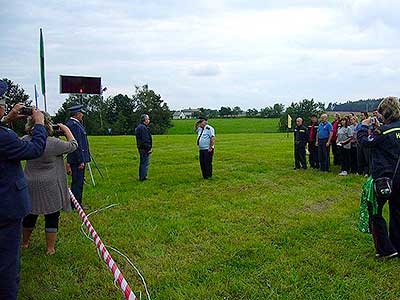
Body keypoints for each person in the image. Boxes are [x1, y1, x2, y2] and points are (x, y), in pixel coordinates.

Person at [0, 81, 47, 299]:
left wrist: (7, 120)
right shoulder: (4, 137)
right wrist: (39, 124)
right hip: (6, 209)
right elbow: (35, 149)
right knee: (7, 265)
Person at [21, 114, 78, 255]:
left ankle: (25, 242)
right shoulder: (53, 143)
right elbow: (73, 145)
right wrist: (66, 130)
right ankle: (50, 248)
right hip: (50, 186)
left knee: (29, 215)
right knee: (52, 216)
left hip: (29, 183)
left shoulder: (26, 140)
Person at [359, 97, 400, 259]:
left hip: (383, 179)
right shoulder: (392, 129)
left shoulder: (383, 131)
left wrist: (363, 127)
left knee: (375, 212)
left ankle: (385, 249)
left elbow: (365, 142)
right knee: (397, 213)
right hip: (399, 177)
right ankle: (396, 246)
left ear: (386, 113)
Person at [65, 105, 91, 207]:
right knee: (77, 182)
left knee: (78, 181)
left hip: (77, 158)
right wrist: (81, 160)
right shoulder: (74, 125)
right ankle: (76, 204)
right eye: (81, 113)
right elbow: (77, 144)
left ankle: (75, 202)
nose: (82, 115)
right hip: (77, 159)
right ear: (76, 114)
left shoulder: (75, 124)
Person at [135, 114, 152, 181]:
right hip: (144, 149)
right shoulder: (143, 128)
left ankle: (142, 176)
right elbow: (145, 140)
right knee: (145, 163)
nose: (149, 120)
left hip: (141, 148)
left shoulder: (140, 127)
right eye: (148, 119)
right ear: (145, 120)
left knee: (143, 162)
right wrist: (149, 148)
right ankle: (143, 177)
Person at [356, 111, 370, 177]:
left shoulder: (368, 123)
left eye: (362, 115)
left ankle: (367, 172)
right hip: (359, 142)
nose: (361, 116)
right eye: (360, 115)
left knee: (366, 157)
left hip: (366, 142)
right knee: (359, 157)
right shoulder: (359, 123)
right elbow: (356, 131)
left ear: (365, 116)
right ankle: (360, 171)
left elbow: (370, 132)